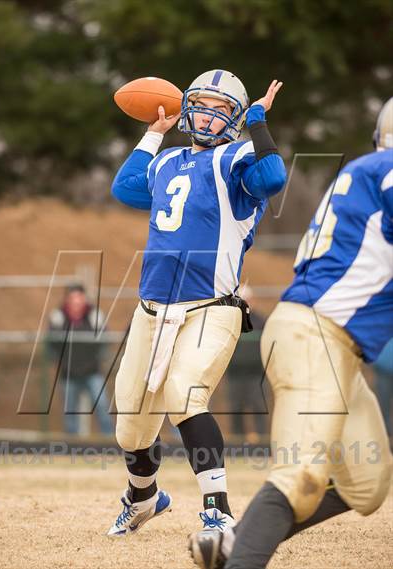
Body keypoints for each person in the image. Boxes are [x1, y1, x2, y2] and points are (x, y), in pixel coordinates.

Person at [189, 96, 393, 568]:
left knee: (366, 482)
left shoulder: (371, 171)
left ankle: (235, 541)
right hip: (315, 336)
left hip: (334, 344)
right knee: (300, 474)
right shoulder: (385, 171)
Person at [107, 70, 286, 537]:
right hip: (151, 309)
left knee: (185, 392)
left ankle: (217, 509)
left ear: (235, 117)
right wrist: (152, 133)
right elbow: (124, 189)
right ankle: (144, 498)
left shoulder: (239, 158)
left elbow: (273, 177)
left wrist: (259, 121)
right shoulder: (167, 161)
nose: (208, 116)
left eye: (221, 108)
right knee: (130, 429)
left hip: (212, 304)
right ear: (187, 107)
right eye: (202, 104)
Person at [47, 284, 113, 436]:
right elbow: (51, 343)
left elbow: (104, 341)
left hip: (92, 371)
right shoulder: (58, 316)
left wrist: (99, 358)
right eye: (72, 299)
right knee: (70, 412)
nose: (76, 302)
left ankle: (110, 441)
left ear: (84, 299)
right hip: (68, 373)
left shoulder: (94, 315)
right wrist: (60, 361)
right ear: (67, 300)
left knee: (102, 406)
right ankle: (72, 447)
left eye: (79, 298)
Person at [225, 285, 268, 443]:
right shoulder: (231, 322)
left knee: (259, 407)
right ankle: (238, 443)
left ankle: (262, 442)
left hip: (257, 374)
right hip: (235, 374)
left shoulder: (261, 321)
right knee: (236, 408)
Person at [373, 337, 393, 439]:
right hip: (384, 368)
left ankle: (385, 431)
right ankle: (385, 431)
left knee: (383, 401)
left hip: (383, 365)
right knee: (383, 402)